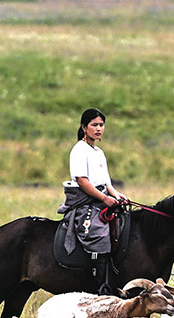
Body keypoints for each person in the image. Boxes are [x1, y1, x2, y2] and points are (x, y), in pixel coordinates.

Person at [58, 108, 128, 296]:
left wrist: (117, 196)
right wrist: (105, 198)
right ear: (84, 127)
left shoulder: (99, 152)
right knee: (98, 233)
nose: (98, 129)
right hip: (86, 201)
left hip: (102, 197)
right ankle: (100, 286)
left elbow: (106, 183)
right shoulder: (79, 150)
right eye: (94, 125)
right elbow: (82, 181)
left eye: (101, 125)